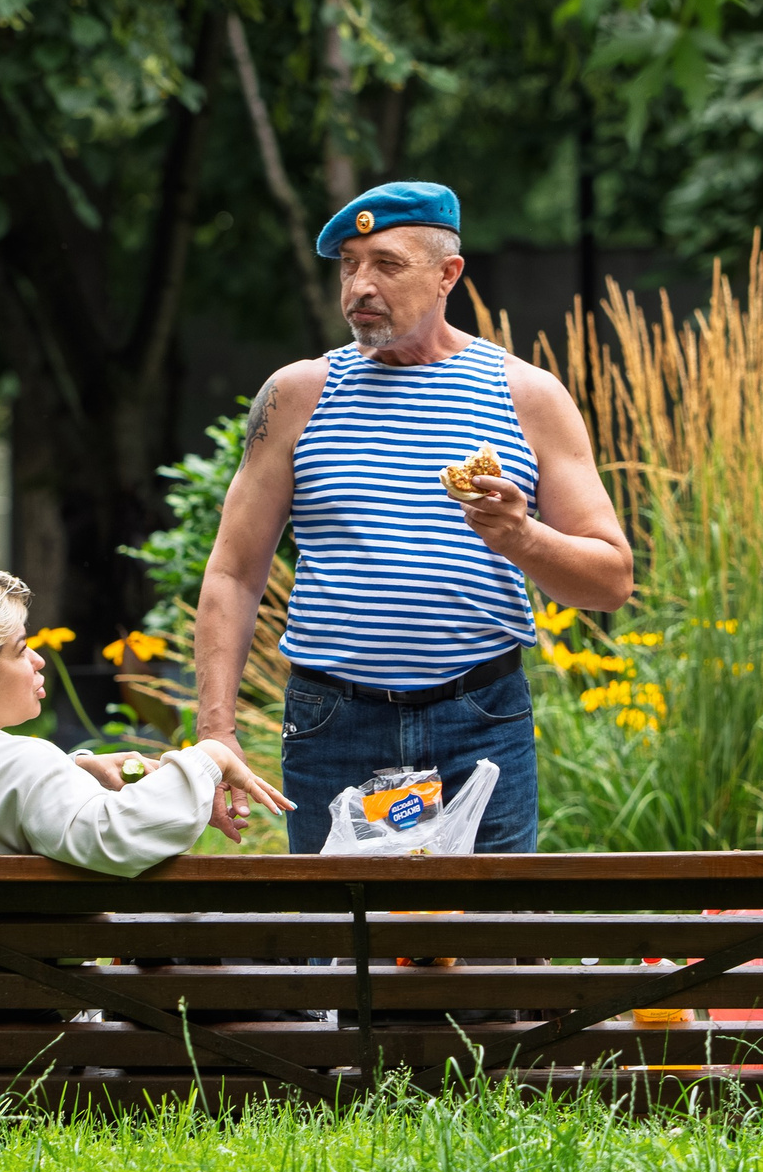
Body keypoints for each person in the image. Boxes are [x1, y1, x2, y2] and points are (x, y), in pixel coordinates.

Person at [195, 181, 634, 853]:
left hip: (480, 718)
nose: (359, 286)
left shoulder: (527, 396)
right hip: (332, 721)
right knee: (339, 949)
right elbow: (232, 573)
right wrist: (215, 732)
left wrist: (521, 536)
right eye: (349, 263)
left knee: (488, 948)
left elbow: (610, 581)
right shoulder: (295, 397)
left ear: (447, 274)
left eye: (387, 264)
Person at [0, 572, 288, 874]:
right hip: (11, 1006)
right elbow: (120, 838)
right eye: (19, 649)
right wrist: (208, 757)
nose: (38, 661)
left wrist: (77, 770)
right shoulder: (25, 764)